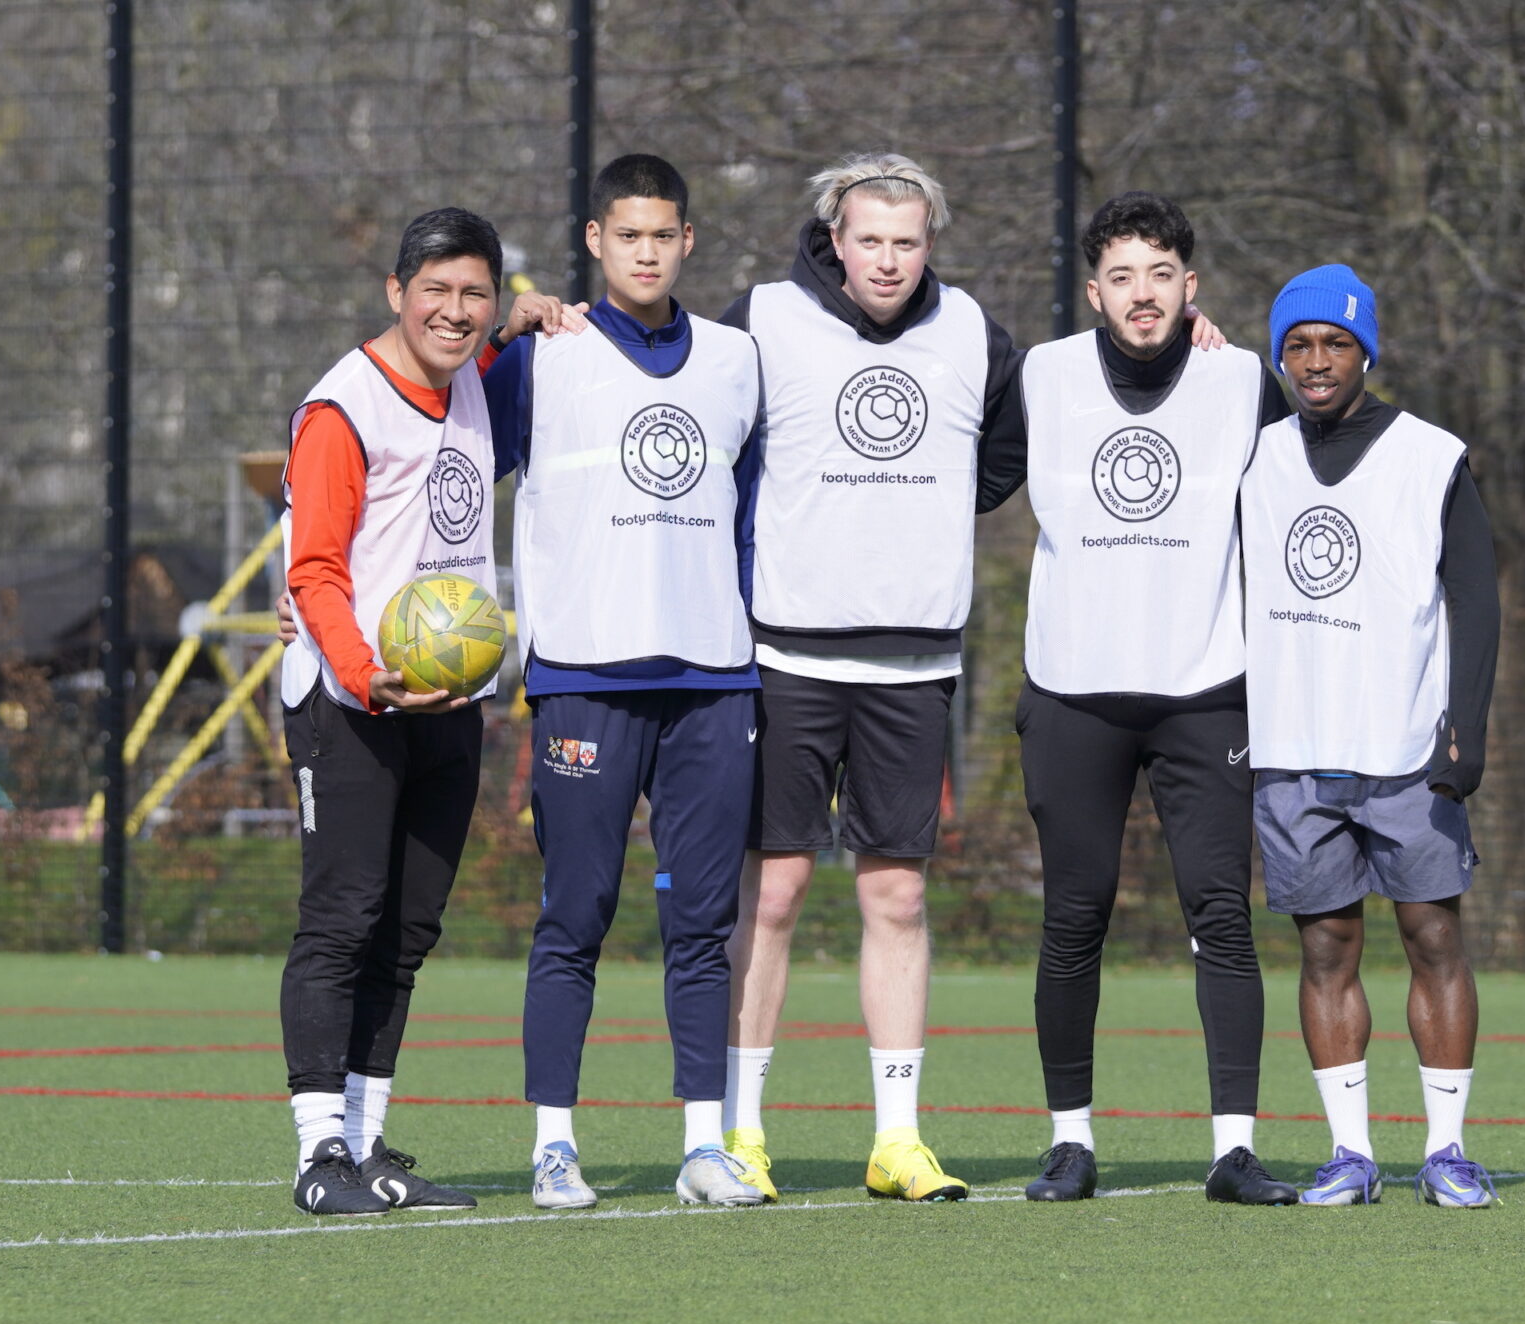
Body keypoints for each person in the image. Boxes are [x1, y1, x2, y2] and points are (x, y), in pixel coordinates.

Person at [708, 153, 1025, 1204]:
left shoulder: (977, 334)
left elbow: (1004, 459)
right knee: (778, 889)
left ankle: (897, 1138)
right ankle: (742, 1133)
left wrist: (913, 525)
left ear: (931, 244)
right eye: (870, 240)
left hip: (916, 662)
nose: (888, 260)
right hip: (786, 654)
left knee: (896, 893)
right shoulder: (757, 320)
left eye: (908, 241)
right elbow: (687, 412)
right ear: (834, 240)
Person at [486, 153, 770, 1210]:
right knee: (577, 914)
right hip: (581, 678)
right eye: (627, 234)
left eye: (665, 234)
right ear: (596, 242)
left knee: (703, 924)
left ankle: (706, 1144)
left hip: (713, 681)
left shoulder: (739, 360)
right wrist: (504, 326)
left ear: (687, 241)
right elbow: (446, 442)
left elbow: (755, 518)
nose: (647, 250)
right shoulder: (544, 357)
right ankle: (554, 1146)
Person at [1004, 192, 1298, 1205]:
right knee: (1073, 916)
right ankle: (1070, 1143)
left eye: (1160, 275)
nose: (1142, 294)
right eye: (1122, 276)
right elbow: (951, 476)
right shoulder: (1040, 376)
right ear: (1094, 290)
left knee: (1222, 913)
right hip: (1073, 693)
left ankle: (1233, 1151)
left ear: (1191, 286)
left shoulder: (1241, 380)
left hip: (1204, 694)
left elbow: (1311, 495)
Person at [1239, 263, 1502, 1207]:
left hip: (1404, 748)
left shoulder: (1433, 456)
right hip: (1293, 748)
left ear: (1367, 352)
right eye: (1298, 345)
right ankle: (1350, 1153)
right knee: (1324, 950)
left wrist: (1464, 731)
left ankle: (1445, 1150)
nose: (1316, 361)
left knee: (1433, 936)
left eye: (1335, 343)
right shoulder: (1254, 457)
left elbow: (1476, 598)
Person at [274, 207, 506, 1215]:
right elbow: (315, 568)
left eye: (476, 294)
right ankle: (319, 1155)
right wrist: (368, 674)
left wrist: (534, 312)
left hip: (449, 698)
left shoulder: (472, 382)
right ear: (395, 294)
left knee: (408, 928)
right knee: (342, 920)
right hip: (351, 698)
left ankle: (367, 1145)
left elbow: (521, 327)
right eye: (437, 292)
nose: (455, 312)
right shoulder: (344, 408)